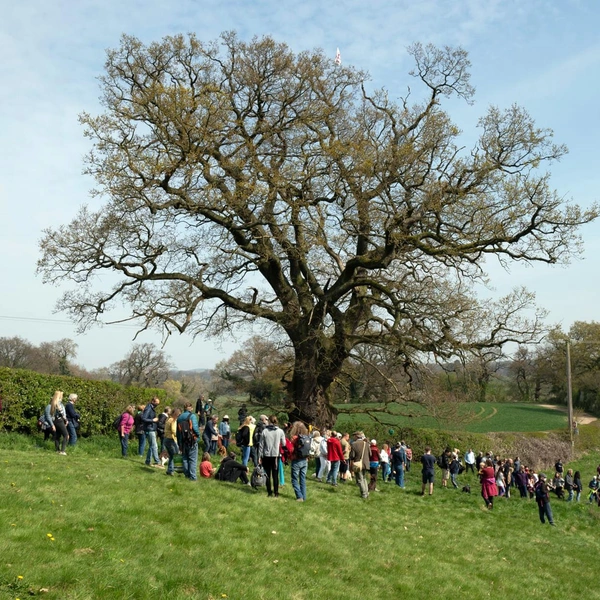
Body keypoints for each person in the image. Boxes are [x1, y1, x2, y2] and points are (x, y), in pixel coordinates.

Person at [258, 415, 286, 498]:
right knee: (275, 475)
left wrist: (259, 456)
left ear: (269, 421)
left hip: (266, 455)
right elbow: (284, 443)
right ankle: (276, 493)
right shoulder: (280, 431)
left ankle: (269, 492)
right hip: (276, 455)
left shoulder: (265, 431)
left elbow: (261, 445)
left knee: (267, 474)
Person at [177, 402, 201, 481]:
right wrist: (198, 436)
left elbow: (178, 432)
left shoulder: (179, 417)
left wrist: (179, 442)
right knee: (192, 459)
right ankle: (193, 477)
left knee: (185, 458)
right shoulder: (192, 416)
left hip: (183, 441)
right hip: (191, 440)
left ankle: (187, 475)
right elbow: (195, 428)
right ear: (190, 408)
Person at [289, 421, 309, 501]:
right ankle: (304, 496)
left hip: (296, 460)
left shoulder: (294, 438)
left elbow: (291, 449)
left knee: (294, 479)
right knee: (302, 479)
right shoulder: (306, 437)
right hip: (305, 460)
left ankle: (299, 496)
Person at [44, 390, 69, 455]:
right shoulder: (55, 405)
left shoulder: (53, 405)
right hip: (59, 421)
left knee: (57, 436)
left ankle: (57, 450)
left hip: (56, 421)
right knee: (66, 435)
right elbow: (48, 416)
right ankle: (62, 450)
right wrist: (52, 425)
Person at [142, 396, 162, 468]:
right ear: (152, 401)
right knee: (154, 446)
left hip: (151, 428)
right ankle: (158, 461)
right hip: (149, 429)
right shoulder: (148, 408)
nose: (157, 404)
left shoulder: (151, 408)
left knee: (151, 446)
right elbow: (143, 418)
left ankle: (148, 460)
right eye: (156, 403)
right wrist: (152, 420)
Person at [350, 431, 371, 499]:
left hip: (358, 464)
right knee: (364, 478)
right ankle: (367, 493)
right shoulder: (366, 444)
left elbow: (352, 456)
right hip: (366, 463)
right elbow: (370, 454)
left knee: (359, 479)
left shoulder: (354, 444)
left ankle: (364, 494)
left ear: (356, 436)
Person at [164, 407, 180, 476]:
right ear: (175, 414)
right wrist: (179, 435)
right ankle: (174, 470)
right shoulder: (173, 420)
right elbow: (174, 430)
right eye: (178, 415)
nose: (178, 416)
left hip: (166, 439)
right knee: (175, 454)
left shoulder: (168, 419)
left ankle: (169, 470)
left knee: (171, 455)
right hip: (171, 439)